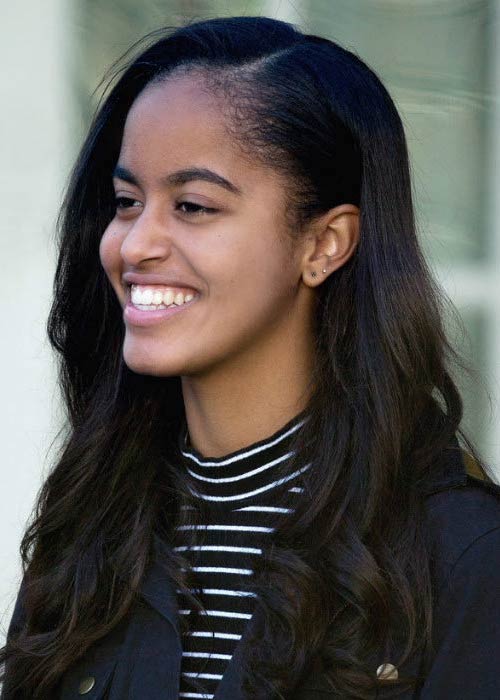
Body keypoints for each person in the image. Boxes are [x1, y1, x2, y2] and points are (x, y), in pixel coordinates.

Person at [2, 14, 500, 700]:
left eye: (194, 206)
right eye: (125, 201)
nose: (134, 243)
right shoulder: (89, 529)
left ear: (324, 244)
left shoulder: (462, 558)